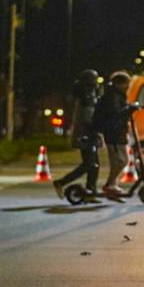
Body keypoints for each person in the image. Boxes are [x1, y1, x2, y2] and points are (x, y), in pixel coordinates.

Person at [53, 69, 102, 198]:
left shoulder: (90, 95)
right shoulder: (84, 96)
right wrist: (93, 130)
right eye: (94, 79)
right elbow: (86, 117)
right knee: (89, 164)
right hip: (86, 134)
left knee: (94, 165)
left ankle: (91, 191)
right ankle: (61, 182)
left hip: (89, 133)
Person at [91, 71, 140, 199]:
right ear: (119, 84)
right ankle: (110, 184)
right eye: (126, 83)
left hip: (118, 131)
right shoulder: (113, 96)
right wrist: (131, 108)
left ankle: (111, 184)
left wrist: (129, 107)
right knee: (120, 160)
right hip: (113, 132)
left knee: (121, 160)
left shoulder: (117, 95)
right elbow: (116, 114)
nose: (128, 86)